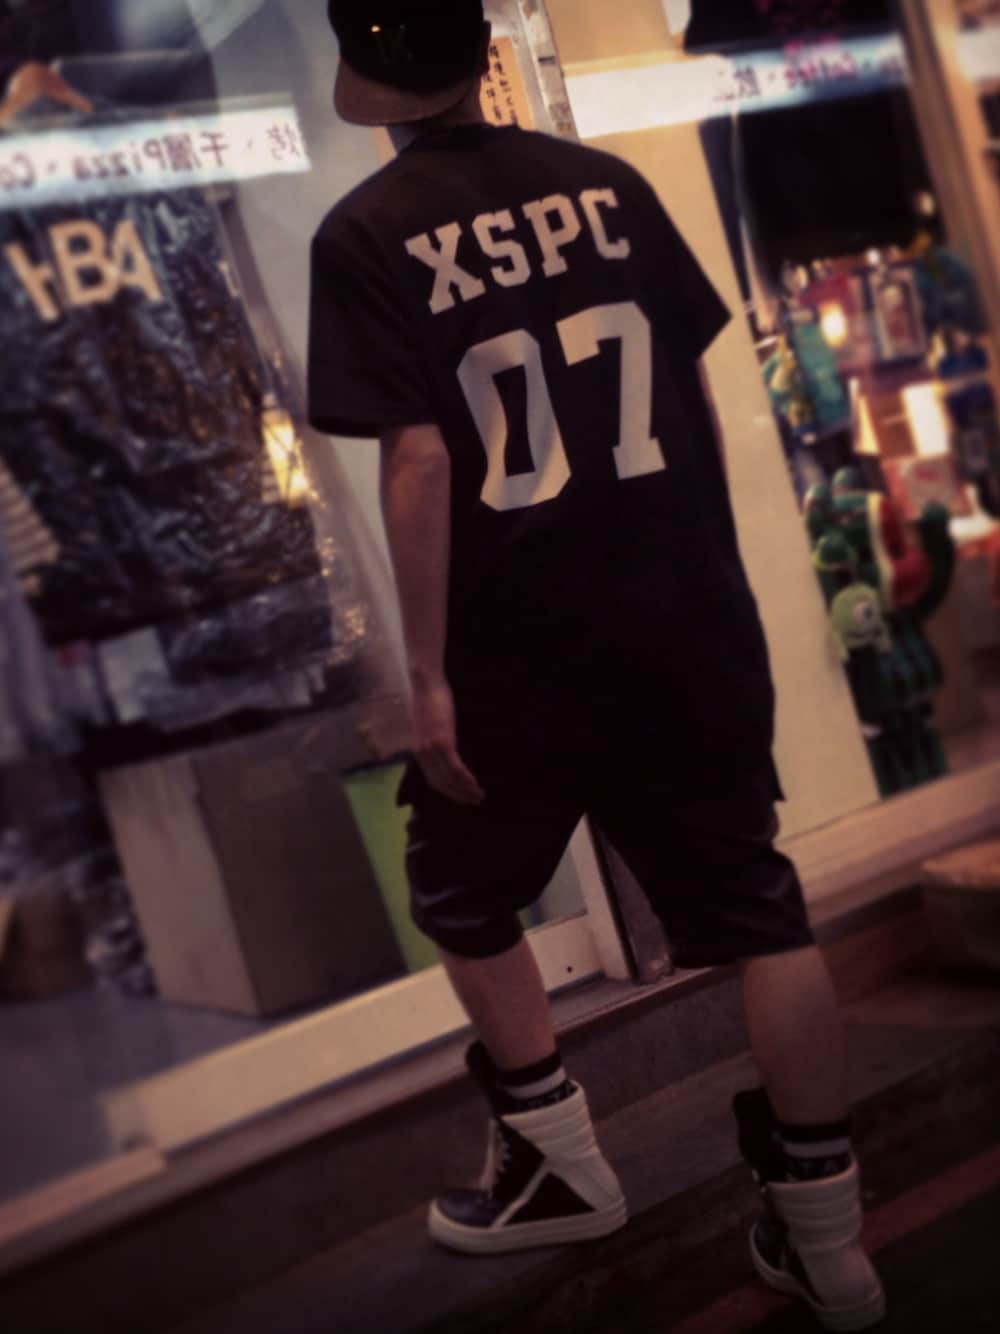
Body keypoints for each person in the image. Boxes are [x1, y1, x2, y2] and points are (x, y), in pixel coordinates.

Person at [308, 3, 885, 1328]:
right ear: (481, 58)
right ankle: (834, 1242)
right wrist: (708, 575)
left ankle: (560, 1166)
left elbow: (419, 459)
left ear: (373, 84)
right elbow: (692, 399)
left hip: (518, 645)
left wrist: (426, 671)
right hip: (680, 616)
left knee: (460, 889)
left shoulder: (365, 235)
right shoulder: (608, 185)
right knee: (761, 912)